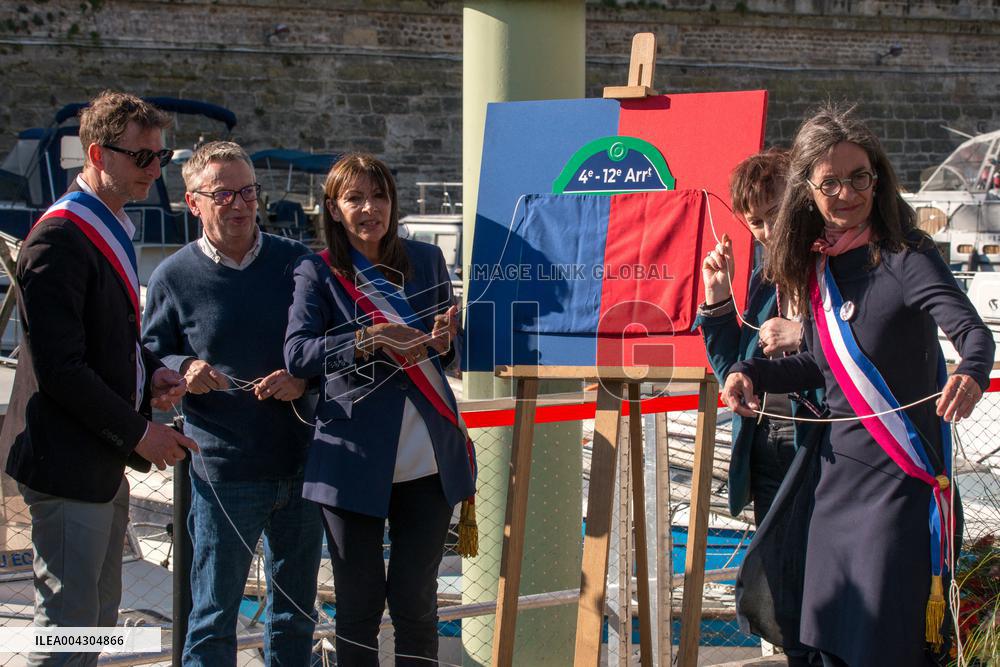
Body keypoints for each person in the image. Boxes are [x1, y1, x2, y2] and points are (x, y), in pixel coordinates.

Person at [722, 104, 994, 666]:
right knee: (825, 644)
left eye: (859, 178)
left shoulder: (906, 256)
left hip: (897, 489)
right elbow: (818, 367)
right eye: (830, 183)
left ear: (878, 180)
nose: (846, 193)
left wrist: (970, 372)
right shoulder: (818, 266)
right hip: (836, 487)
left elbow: (972, 332)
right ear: (809, 191)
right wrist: (747, 372)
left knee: (880, 644)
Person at [0, 90, 197, 665]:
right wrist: (142, 434)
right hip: (67, 465)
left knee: (95, 627)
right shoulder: (59, 236)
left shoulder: (103, 226)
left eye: (160, 158)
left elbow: (111, 334)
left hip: (97, 463)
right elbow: (61, 369)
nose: (155, 170)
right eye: (142, 157)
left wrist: (151, 373)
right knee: (67, 633)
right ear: (97, 154)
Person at [284, 153, 475, 665]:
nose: (370, 208)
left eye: (380, 195)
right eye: (355, 198)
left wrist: (446, 340)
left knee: (416, 602)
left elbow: (452, 350)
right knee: (358, 605)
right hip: (352, 460)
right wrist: (368, 337)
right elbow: (298, 354)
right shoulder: (316, 271)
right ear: (333, 207)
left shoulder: (427, 260)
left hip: (428, 460)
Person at [143, 141, 323, 666]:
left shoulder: (298, 263)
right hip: (224, 472)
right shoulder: (172, 276)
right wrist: (183, 368)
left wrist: (302, 380)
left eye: (247, 191)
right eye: (223, 194)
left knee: (296, 616)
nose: (240, 204)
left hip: (300, 465)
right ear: (193, 202)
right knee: (213, 618)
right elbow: (150, 355)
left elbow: (326, 345)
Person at [696, 147, 824, 525]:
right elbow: (733, 375)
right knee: (774, 575)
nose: (770, 232)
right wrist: (717, 301)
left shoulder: (835, 270)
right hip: (765, 446)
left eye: (776, 214)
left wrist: (802, 335)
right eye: (756, 222)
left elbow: (864, 346)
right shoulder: (763, 281)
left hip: (822, 447)